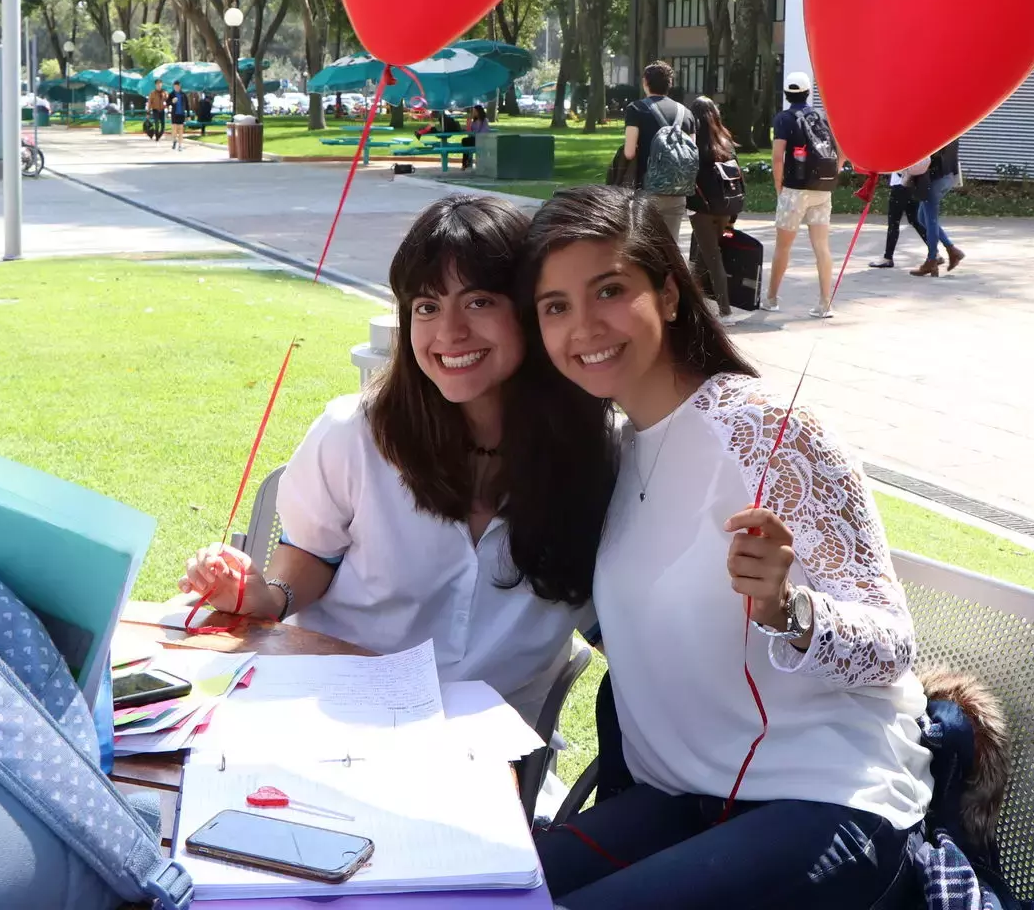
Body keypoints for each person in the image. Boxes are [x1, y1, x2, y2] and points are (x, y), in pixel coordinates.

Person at [522, 186, 930, 910]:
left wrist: (788, 608)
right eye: (555, 306)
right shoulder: (614, 454)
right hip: (684, 801)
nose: (583, 327)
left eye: (609, 290)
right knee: (475, 890)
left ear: (671, 295)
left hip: (826, 799)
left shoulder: (769, 432)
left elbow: (893, 645)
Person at [179, 194, 613, 724]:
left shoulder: (601, 451)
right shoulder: (354, 433)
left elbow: (619, 612)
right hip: (340, 720)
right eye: (426, 307)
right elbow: (311, 556)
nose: (449, 333)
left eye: (479, 301)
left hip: (494, 747)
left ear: (527, 309)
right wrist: (263, 597)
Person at [767, 72, 841, 318]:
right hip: (822, 189)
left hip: (794, 190)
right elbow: (842, 150)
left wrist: (779, 187)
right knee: (822, 246)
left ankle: (772, 298)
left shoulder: (784, 119)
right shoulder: (822, 116)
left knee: (783, 247)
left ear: (786, 94)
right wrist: (833, 171)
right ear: (809, 92)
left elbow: (778, 157)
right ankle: (825, 302)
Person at [622, 61, 698, 251]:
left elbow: (629, 152)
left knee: (644, 249)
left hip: (647, 191)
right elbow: (691, 153)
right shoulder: (686, 113)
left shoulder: (636, 109)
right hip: (678, 191)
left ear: (645, 82)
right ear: (669, 84)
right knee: (670, 250)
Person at [686, 96, 744, 325]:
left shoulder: (694, 143)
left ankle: (725, 311)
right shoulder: (725, 140)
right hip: (725, 206)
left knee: (711, 256)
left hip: (701, 208)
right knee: (703, 253)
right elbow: (738, 176)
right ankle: (693, 301)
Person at [909, 139, 965, 278]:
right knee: (922, 218)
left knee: (930, 220)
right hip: (948, 176)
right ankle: (952, 250)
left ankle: (931, 260)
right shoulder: (952, 128)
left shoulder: (935, 131)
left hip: (935, 178)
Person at [867, 160, 929, 271]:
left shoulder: (902, 146)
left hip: (901, 184)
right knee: (914, 220)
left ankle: (887, 258)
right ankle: (935, 252)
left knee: (894, 222)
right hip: (913, 184)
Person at [462, 103, 490, 170]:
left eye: (475, 111)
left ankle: (466, 162)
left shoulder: (484, 121)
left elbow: (484, 131)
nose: (473, 113)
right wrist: (468, 125)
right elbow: (470, 132)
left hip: (481, 139)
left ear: (479, 112)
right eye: (473, 111)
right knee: (465, 141)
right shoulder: (474, 122)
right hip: (475, 139)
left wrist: (476, 134)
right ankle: (466, 162)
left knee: (465, 141)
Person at [167, 80, 190, 151]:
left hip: (181, 114)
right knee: (174, 129)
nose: (176, 88)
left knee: (180, 130)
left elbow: (187, 105)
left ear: (180, 87)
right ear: (173, 87)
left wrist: (188, 115)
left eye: (178, 86)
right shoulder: (171, 94)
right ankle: (174, 140)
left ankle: (180, 145)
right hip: (174, 114)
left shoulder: (183, 94)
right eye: (175, 87)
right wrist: (172, 102)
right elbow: (167, 103)